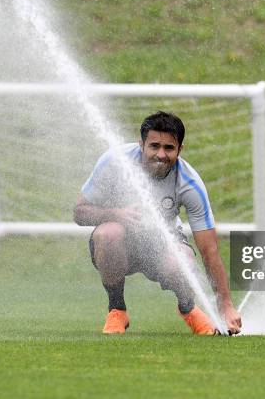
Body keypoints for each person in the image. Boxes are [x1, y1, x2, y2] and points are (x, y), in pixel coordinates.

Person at [74, 111, 242, 335]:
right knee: (108, 233)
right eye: (154, 146)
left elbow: (209, 250)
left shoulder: (190, 183)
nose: (161, 154)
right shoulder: (114, 162)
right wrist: (116, 214)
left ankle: (188, 309)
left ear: (180, 150)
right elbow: (79, 213)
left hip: (164, 244)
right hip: (121, 243)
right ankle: (117, 310)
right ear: (141, 144)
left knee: (182, 261)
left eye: (169, 148)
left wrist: (227, 307)